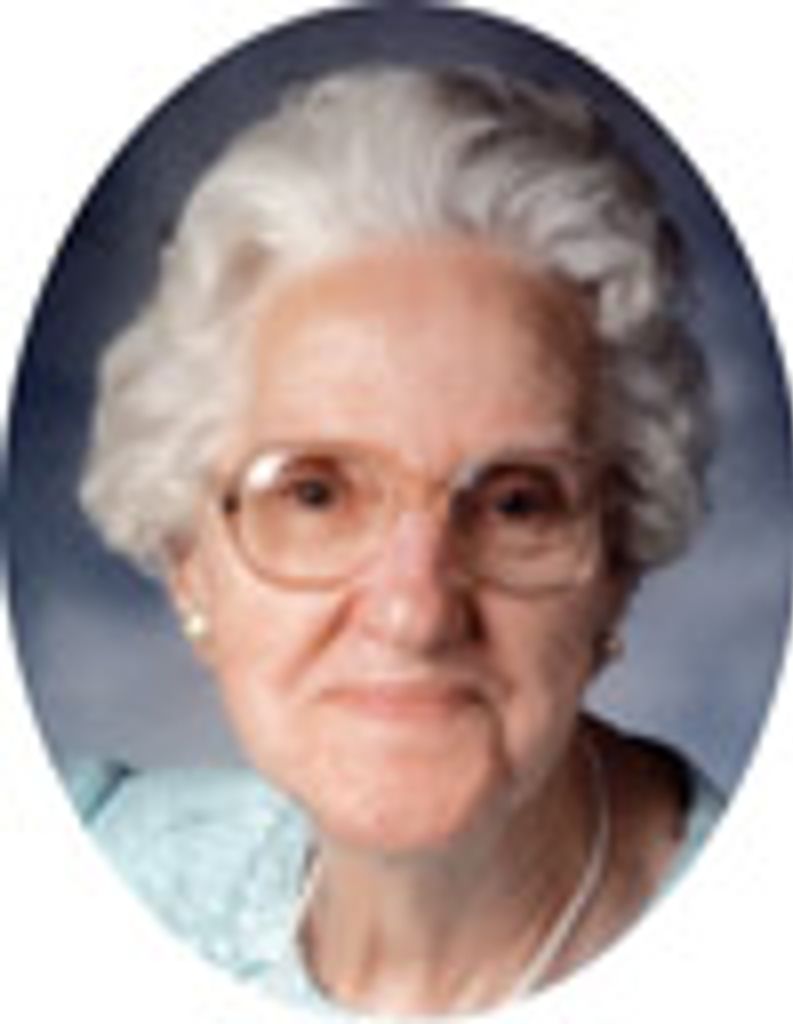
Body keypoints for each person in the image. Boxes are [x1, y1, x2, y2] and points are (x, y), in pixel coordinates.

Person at [68, 64, 723, 1015]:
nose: (415, 611)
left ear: (617, 570)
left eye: (515, 504)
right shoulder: (97, 864)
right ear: (188, 564)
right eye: (317, 493)